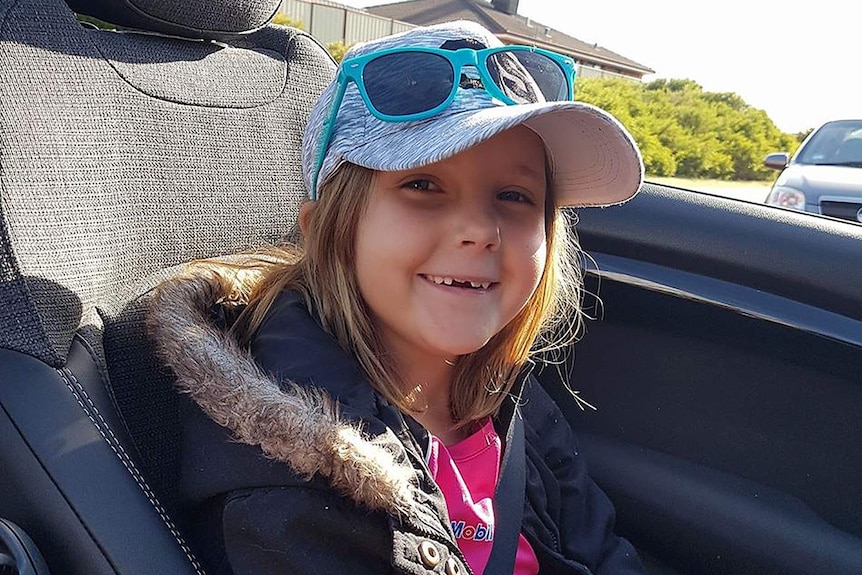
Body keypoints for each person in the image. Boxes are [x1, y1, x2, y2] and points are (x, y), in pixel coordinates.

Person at [147, 19, 645, 575]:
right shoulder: (287, 475)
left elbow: (600, 552)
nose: (481, 229)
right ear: (327, 229)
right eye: (424, 185)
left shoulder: (510, 398)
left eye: (514, 195)